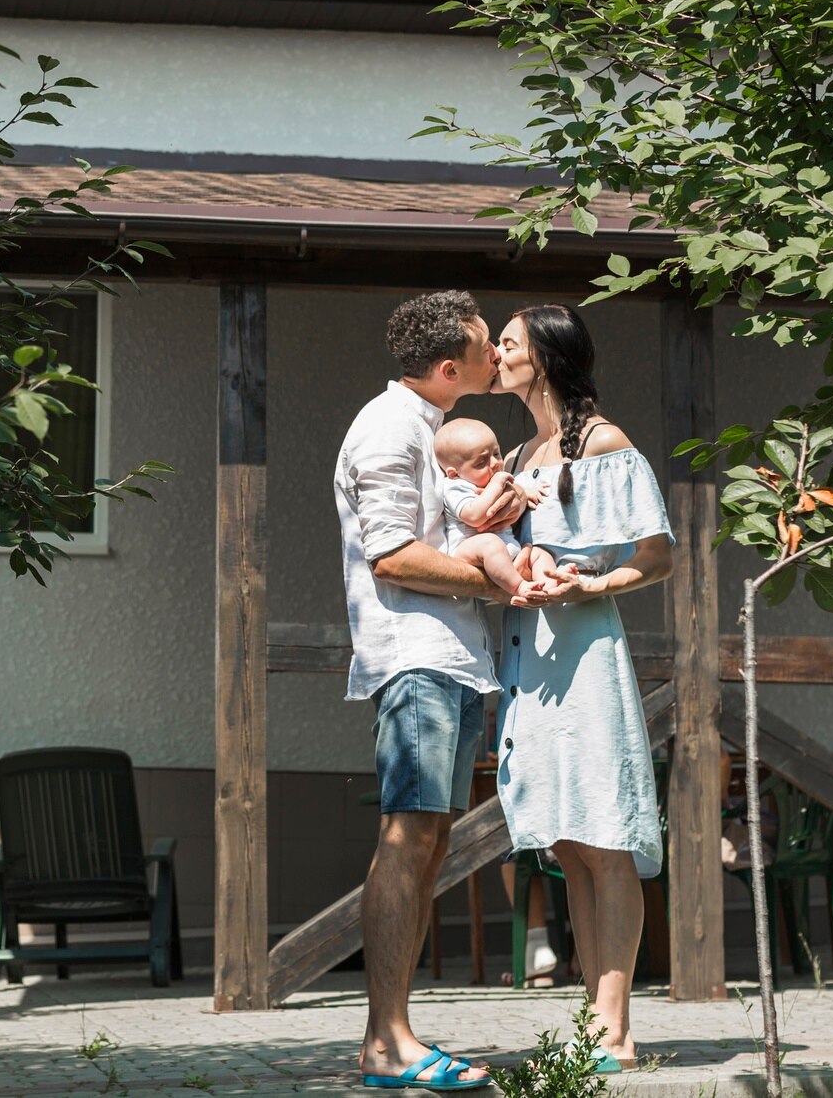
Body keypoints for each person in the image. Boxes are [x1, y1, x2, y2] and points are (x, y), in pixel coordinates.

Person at [333, 291, 548, 1091]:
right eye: (488, 343)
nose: (498, 352)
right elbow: (390, 554)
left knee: (432, 844)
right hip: (416, 657)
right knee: (408, 837)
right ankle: (387, 1040)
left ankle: (394, 1033)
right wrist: (496, 585)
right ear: (451, 366)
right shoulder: (390, 428)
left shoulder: (436, 431)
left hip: (455, 661)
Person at [491, 302, 675, 1072]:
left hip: (586, 651)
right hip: (530, 662)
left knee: (605, 836)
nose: (496, 353)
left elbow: (657, 553)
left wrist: (588, 584)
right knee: (566, 838)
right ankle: (592, 1021)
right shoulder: (516, 451)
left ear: (546, 357)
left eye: (508, 343)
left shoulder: (605, 442)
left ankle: (616, 1025)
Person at [434, 417, 557, 600]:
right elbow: (474, 516)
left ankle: (551, 586)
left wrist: (525, 492)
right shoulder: (456, 487)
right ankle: (520, 587)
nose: (495, 463)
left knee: (539, 553)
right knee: (490, 544)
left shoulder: (492, 480)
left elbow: (516, 493)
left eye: (497, 453)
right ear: (454, 473)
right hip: (471, 555)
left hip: (507, 556)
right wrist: (497, 484)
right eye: (481, 462)